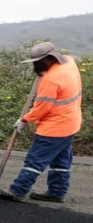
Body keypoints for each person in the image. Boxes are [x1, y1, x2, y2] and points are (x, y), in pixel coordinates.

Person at [9, 41, 83, 203]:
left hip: (54, 128)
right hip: (71, 123)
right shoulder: (69, 62)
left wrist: (24, 120)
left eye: (38, 62)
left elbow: (42, 108)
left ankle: (18, 191)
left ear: (48, 59)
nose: (35, 65)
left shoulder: (51, 80)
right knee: (61, 161)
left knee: (35, 161)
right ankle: (56, 192)